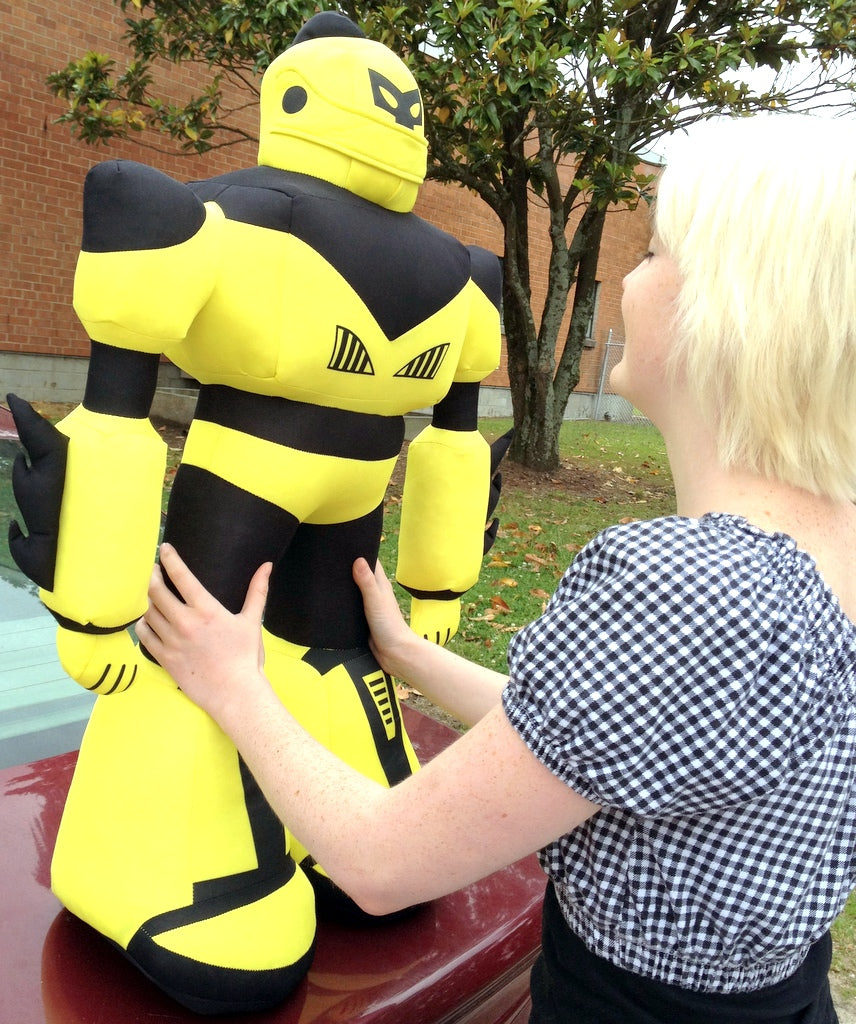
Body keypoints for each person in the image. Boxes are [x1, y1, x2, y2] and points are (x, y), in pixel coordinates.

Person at [138, 112, 856, 1024]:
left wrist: (231, 682)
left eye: (658, 251)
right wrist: (409, 654)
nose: (628, 280)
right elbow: (631, 742)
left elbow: (378, 862)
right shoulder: (824, 546)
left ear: (733, 305)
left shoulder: (687, 588)